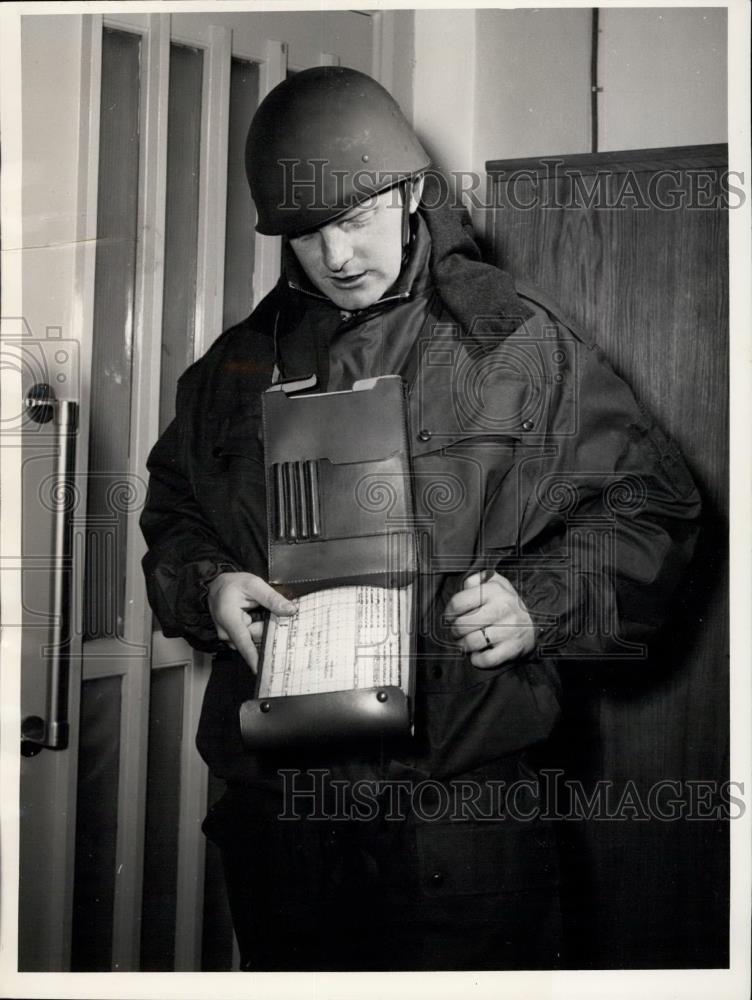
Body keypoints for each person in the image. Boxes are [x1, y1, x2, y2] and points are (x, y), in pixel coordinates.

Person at [140, 66, 701, 971]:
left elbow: (655, 508)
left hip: (461, 825)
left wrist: (541, 601)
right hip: (282, 826)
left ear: (408, 193)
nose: (338, 256)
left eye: (356, 218)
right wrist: (208, 585)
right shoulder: (230, 371)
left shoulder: (518, 343)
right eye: (308, 233)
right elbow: (172, 517)